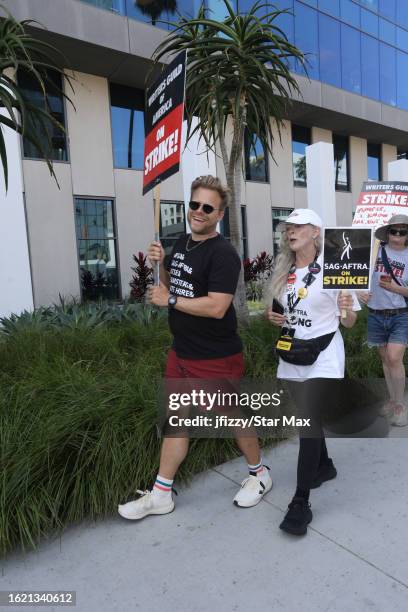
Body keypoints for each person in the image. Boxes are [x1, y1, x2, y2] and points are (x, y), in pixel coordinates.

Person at [118, 175, 271, 520]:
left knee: (231, 416)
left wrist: (168, 297)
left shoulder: (224, 254)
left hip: (216, 355)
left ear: (219, 214)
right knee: (177, 420)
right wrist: (162, 267)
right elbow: (177, 287)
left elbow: (217, 306)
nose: (198, 212)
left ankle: (259, 474)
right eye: (194, 204)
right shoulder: (180, 243)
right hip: (182, 351)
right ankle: (161, 494)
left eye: (207, 207)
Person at [266, 209, 360, 536]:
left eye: (299, 226)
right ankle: (325, 465)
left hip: (325, 355)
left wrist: (347, 308)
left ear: (316, 231)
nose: (291, 231)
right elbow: (278, 312)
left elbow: (348, 323)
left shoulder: (335, 267)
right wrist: (273, 317)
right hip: (292, 352)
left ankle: (300, 502)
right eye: (288, 227)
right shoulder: (284, 269)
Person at [360, 215, 408, 427]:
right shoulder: (375, 251)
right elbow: (358, 276)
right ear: (387, 233)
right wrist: (360, 292)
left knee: (394, 357)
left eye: (402, 232)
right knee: (386, 361)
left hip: (401, 314)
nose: (397, 236)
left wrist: (395, 288)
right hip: (376, 313)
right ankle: (392, 399)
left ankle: (400, 405)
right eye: (393, 231)